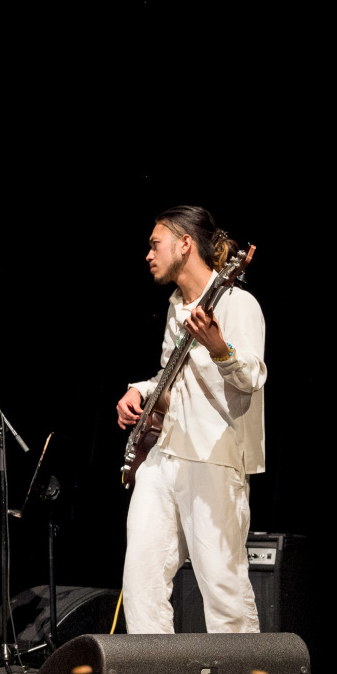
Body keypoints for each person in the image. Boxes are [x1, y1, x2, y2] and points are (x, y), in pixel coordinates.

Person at [115, 205, 267, 633]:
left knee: (222, 584)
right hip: (165, 454)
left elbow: (253, 376)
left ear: (185, 244)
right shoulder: (175, 307)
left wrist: (221, 349)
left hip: (213, 454)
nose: (148, 254)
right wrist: (141, 390)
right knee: (142, 578)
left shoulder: (239, 303)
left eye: (154, 243)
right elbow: (173, 375)